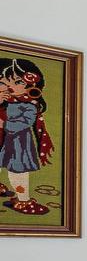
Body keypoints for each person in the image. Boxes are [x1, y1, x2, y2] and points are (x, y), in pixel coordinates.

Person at [0, 57, 54, 216]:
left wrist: (4, 125)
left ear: (31, 87)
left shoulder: (29, 105)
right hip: (4, 143)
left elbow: (25, 122)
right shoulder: (6, 101)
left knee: (17, 172)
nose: (9, 87)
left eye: (17, 83)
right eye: (5, 82)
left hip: (19, 145)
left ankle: (23, 199)